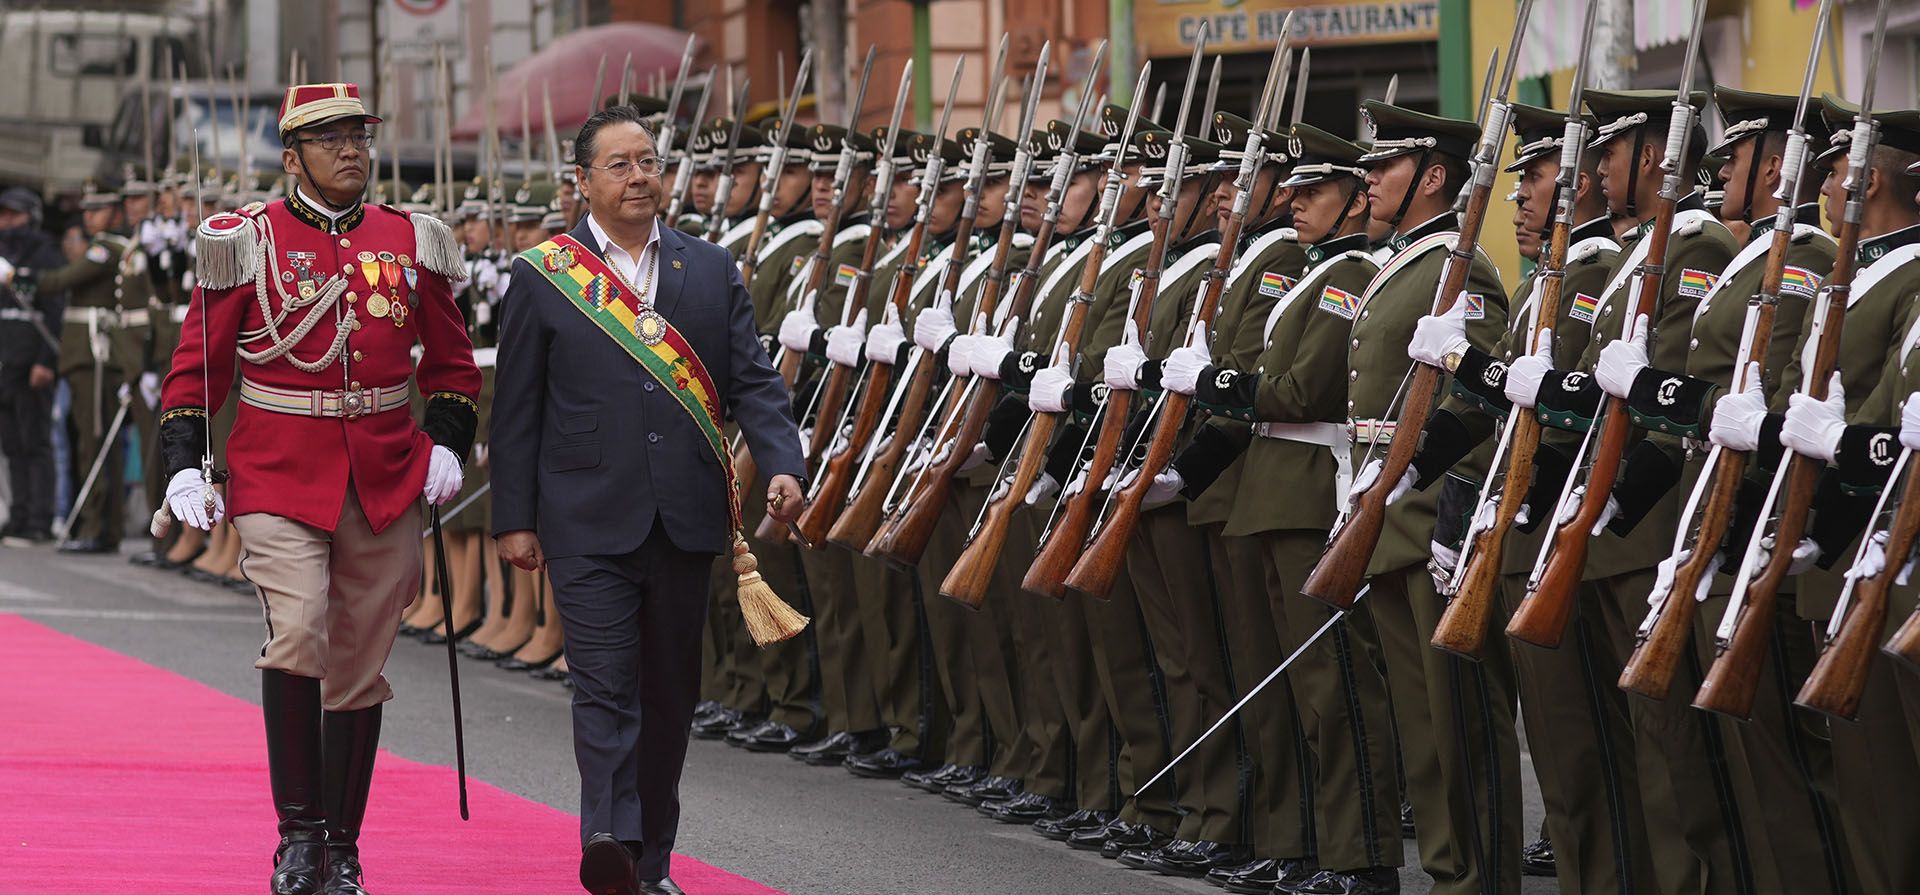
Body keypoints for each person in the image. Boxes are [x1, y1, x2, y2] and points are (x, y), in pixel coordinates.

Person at [155, 82, 480, 895]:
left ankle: (344, 845)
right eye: (329, 139)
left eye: (358, 138)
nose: (351, 152)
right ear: (291, 154)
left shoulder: (409, 238)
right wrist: (182, 460)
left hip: (383, 472)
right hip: (278, 471)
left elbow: (450, 367)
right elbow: (200, 367)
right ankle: (298, 838)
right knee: (298, 632)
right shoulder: (247, 240)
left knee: (361, 664)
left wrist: (446, 440)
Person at [489, 103, 807, 895]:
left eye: (648, 162)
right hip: (585, 517)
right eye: (620, 165)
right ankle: (608, 835)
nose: (639, 177)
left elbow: (756, 384)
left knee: (668, 695)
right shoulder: (543, 276)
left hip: (686, 517)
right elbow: (517, 409)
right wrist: (514, 521)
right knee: (602, 680)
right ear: (583, 182)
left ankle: (651, 858)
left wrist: (781, 461)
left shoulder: (708, 268)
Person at [0, 187, 66, 544]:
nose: (7, 222)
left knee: (36, 442)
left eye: (14, 215)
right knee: (11, 444)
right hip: (5, 362)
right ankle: (19, 513)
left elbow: (54, 313)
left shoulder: (45, 254)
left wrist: (46, 361)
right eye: (3, 215)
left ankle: (40, 518)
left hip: (32, 362)